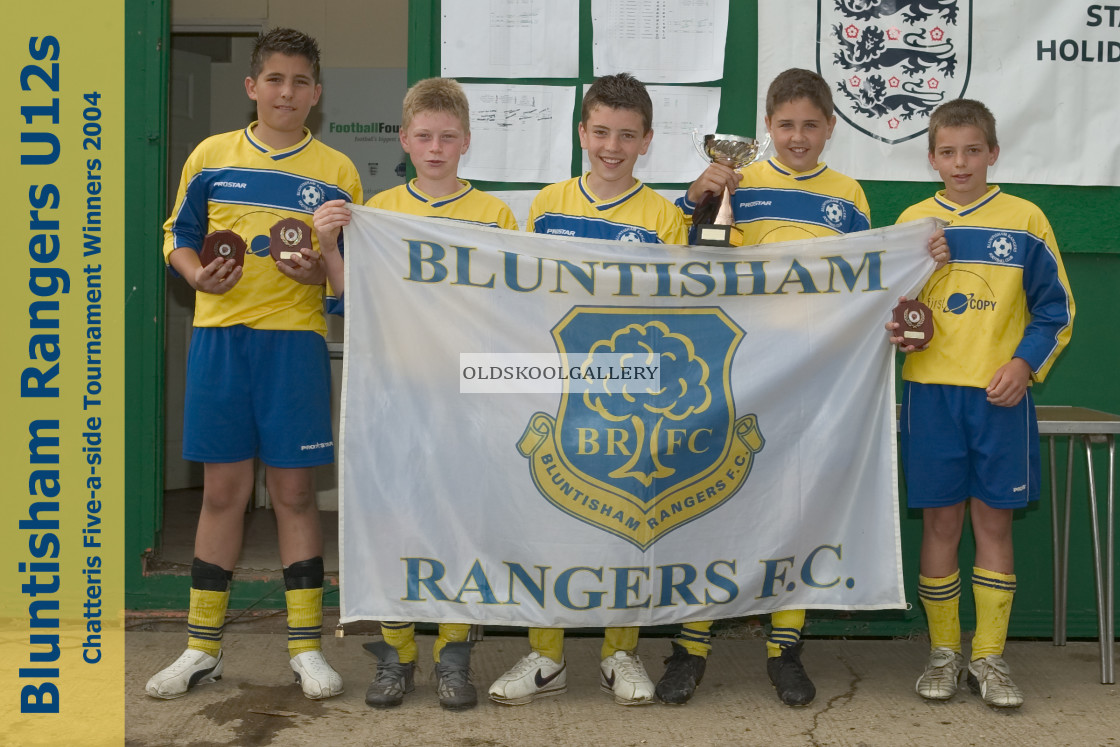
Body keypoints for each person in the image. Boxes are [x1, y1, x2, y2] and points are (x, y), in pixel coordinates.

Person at [662, 68, 948, 708]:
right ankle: (690, 647)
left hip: (814, 376)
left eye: (810, 126)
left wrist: (906, 295)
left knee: (797, 508)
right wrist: (693, 199)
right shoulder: (737, 179)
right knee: (715, 500)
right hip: (734, 369)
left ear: (830, 129)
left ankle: (785, 649)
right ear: (767, 126)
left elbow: (866, 283)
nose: (797, 137)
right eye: (785, 124)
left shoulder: (848, 196)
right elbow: (682, 264)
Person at [146, 28, 362, 701]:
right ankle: (200, 647)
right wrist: (199, 278)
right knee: (221, 494)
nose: (286, 93)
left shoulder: (337, 171)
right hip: (220, 340)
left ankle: (306, 649)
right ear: (251, 86)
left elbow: (349, 280)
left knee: (296, 495)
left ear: (317, 94)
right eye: (274, 79)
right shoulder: (211, 156)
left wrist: (317, 266)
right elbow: (177, 240)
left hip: (293, 346)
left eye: (300, 82)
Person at [313, 77, 517, 711]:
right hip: (397, 393)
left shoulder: (496, 216)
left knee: (459, 524)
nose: (435, 148)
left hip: (467, 396)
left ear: (466, 142)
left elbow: (513, 310)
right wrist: (326, 243)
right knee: (394, 522)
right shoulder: (381, 211)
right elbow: (353, 303)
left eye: (447, 137)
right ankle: (396, 656)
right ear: (404, 140)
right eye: (423, 137)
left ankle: (454, 655)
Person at [486, 72, 687, 709]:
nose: (612, 145)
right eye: (601, 131)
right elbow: (520, 296)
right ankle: (546, 656)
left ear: (647, 140)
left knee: (626, 519)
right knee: (550, 515)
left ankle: (619, 651)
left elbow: (684, 307)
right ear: (582, 132)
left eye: (627, 135)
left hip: (633, 391)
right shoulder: (546, 206)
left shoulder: (664, 216)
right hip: (558, 382)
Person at [889, 98, 1074, 708]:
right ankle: (944, 653)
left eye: (973, 150)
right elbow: (891, 309)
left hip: (1000, 397)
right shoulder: (915, 220)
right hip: (930, 396)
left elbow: (1056, 309)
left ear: (993, 153)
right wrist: (915, 283)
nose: (961, 162)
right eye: (948, 152)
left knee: (992, 523)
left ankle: (989, 658)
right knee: (941, 522)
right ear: (932, 158)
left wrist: (1024, 365)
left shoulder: (1025, 219)